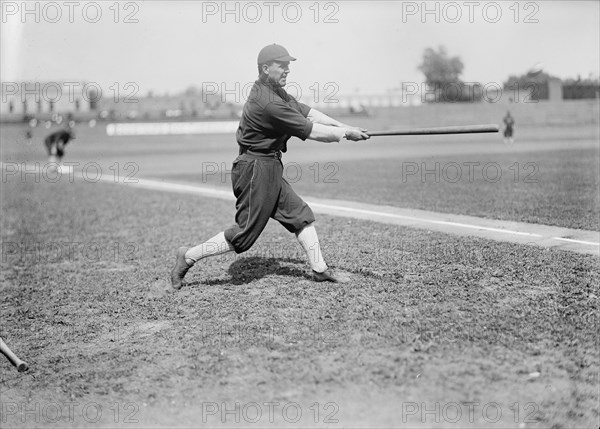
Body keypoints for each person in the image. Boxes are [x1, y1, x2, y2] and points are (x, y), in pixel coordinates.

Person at [170, 44, 370, 290]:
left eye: (289, 65)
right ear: (266, 68)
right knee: (244, 236)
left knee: (300, 216)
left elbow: (310, 114)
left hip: (270, 165)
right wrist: (345, 134)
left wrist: (346, 127)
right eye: (282, 65)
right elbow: (313, 131)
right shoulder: (267, 102)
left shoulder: (275, 92)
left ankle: (320, 270)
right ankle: (187, 256)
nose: (288, 70)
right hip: (255, 169)